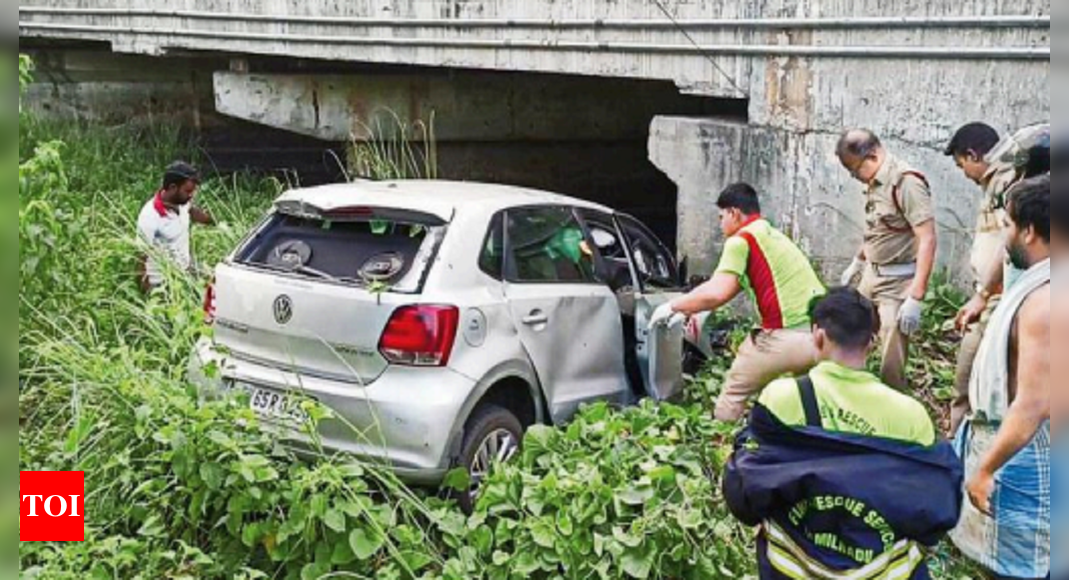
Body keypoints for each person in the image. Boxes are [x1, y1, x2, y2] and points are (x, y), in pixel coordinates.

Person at [724, 287, 963, 580]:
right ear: (872, 342)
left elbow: (747, 490)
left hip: (793, 569)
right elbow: (934, 507)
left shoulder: (781, 398)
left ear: (818, 334)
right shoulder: (912, 415)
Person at [648, 183, 826, 421]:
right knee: (811, 401)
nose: (720, 225)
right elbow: (730, 288)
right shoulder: (771, 235)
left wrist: (672, 306)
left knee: (734, 392)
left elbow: (717, 293)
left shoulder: (741, 240)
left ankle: (723, 440)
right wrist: (691, 305)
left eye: (721, 217)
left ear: (734, 213)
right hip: (822, 337)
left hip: (784, 336)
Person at [951, 176, 1050, 580]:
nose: (1004, 237)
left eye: (1008, 225)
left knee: (1027, 567)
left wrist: (987, 469)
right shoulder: (1040, 278)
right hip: (1013, 438)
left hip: (1029, 452)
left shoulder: (1047, 302)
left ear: (1029, 231)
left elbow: (1033, 404)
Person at [837, 129, 937, 391]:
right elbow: (877, 229)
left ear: (871, 156)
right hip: (872, 273)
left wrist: (916, 295)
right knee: (852, 329)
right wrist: (858, 262)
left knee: (891, 348)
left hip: (898, 280)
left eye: (855, 170)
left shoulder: (906, 184)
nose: (855, 178)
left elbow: (927, 238)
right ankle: (851, 389)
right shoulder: (875, 183)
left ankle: (891, 401)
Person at [943, 123, 1018, 433]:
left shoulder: (1009, 185)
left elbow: (1009, 244)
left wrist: (982, 295)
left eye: (962, 165)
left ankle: (959, 450)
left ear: (973, 155)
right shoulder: (995, 185)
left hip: (998, 301)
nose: (964, 173)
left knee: (970, 377)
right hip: (990, 298)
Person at [136, 161, 214, 293]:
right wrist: (149, 297)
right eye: (188, 191)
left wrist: (212, 219)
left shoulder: (182, 202)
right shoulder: (150, 216)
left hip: (186, 268)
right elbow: (140, 259)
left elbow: (192, 211)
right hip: (164, 282)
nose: (192, 195)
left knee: (219, 281)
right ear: (173, 188)